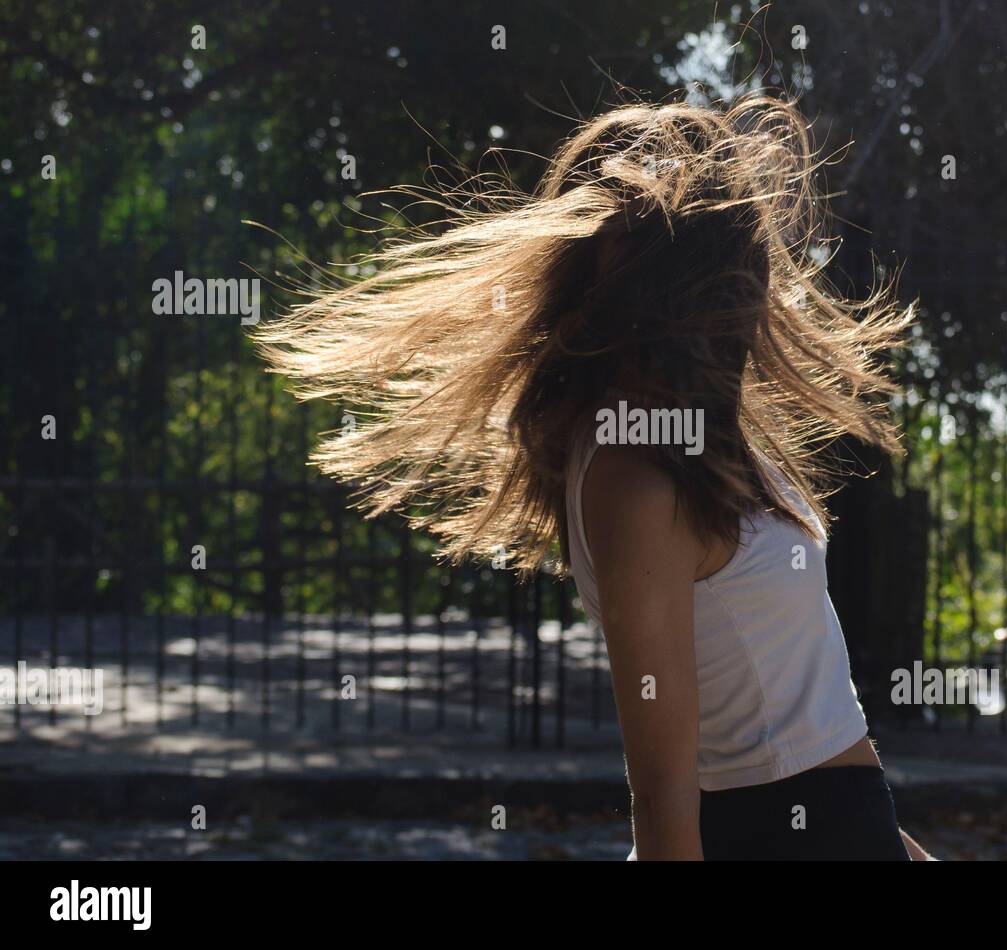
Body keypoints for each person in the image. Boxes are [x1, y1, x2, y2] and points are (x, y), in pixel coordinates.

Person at [255, 93, 931, 861]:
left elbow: (817, 744)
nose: (752, 306)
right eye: (734, 275)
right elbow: (667, 796)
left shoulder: (693, 451)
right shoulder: (633, 480)